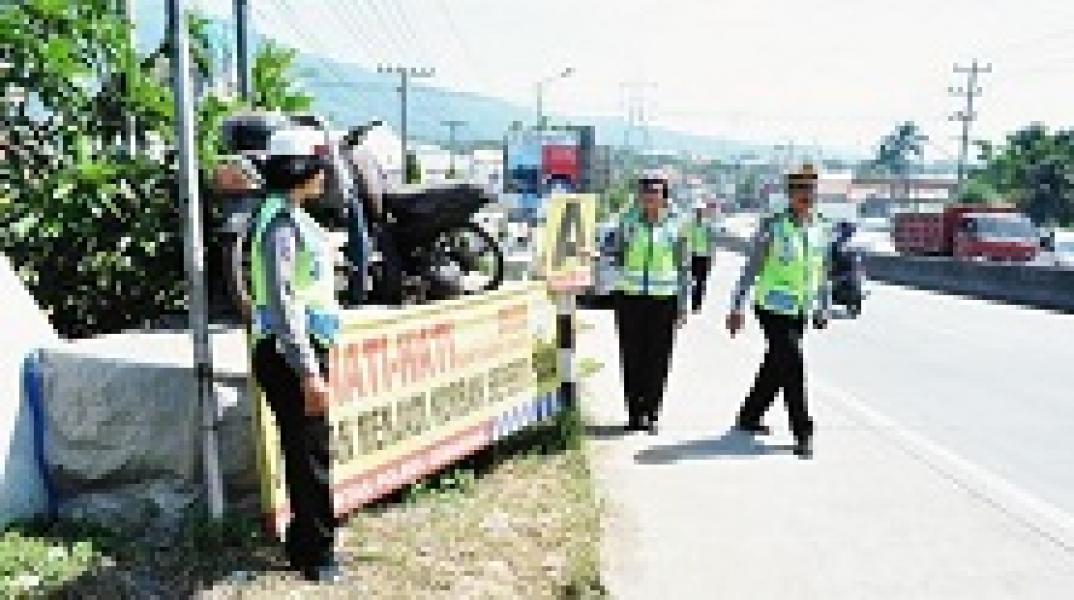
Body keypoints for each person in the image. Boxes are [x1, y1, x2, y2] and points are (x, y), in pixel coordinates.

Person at [248, 126, 343, 582]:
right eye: (320, 166)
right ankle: (318, 556)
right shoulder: (280, 224)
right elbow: (284, 303)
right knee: (310, 455)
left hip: (294, 348)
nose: (325, 175)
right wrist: (308, 370)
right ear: (301, 170)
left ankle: (305, 542)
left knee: (305, 451)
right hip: (292, 354)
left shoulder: (285, 215)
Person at [725, 163, 830, 459]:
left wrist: (823, 305)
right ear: (789, 193)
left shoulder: (821, 227)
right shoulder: (772, 226)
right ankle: (803, 431)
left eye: (810, 189)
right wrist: (737, 306)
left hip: (800, 309)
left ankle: (749, 415)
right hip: (771, 307)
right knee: (793, 365)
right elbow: (751, 269)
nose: (805, 195)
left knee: (776, 365)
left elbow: (822, 270)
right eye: (799, 189)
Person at [611, 169, 689, 434]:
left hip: (664, 301)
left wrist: (682, 304)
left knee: (658, 358)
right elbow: (617, 253)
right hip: (630, 299)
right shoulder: (628, 222)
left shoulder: (677, 224)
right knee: (632, 356)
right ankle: (634, 413)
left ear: (664, 195)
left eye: (655, 191)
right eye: (645, 191)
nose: (649, 196)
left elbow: (684, 267)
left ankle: (652, 412)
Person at [687, 204, 713, 313]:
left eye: (701, 211)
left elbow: (710, 243)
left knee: (701, 281)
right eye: (697, 211)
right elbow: (687, 240)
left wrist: (710, 258)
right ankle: (693, 302)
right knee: (693, 281)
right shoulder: (691, 225)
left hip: (704, 256)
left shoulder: (707, 226)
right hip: (693, 256)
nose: (699, 213)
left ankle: (698, 304)